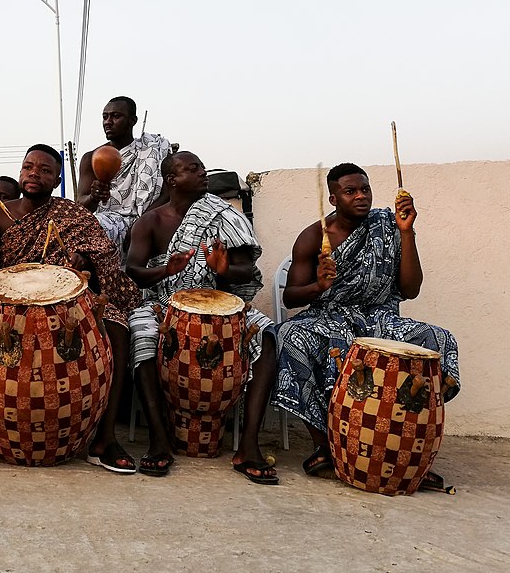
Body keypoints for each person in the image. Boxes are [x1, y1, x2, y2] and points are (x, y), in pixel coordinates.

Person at [0, 144, 142, 472]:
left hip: (65, 300)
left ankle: (104, 440)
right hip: (7, 302)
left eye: (45, 170)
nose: (34, 174)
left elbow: (103, 254)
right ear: (20, 172)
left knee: (116, 322)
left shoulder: (72, 213)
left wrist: (84, 262)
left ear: (56, 181)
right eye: (28, 167)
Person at [273, 162, 460, 477]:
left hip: (380, 319)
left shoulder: (388, 224)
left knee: (437, 338)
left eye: (365, 189)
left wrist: (406, 231)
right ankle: (324, 446)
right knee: (290, 336)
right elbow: (289, 297)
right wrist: (319, 286)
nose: (361, 196)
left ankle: (403, 446)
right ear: (334, 198)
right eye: (350, 191)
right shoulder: (314, 237)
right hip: (327, 318)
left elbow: (411, 289)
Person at [126, 151, 277, 482]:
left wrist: (223, 270)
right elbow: (133, 271)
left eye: (202, 167)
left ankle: (248, 445)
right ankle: (159, 440)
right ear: (172, 180)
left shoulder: (223, 216)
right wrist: (167, 269)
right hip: (161, 304)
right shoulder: (149, 222)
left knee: (267, 336)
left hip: (221, 305)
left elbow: (246, 269)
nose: (202, 172)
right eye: (192, 169)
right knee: (142, 335)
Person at [77, 96, 172, 259]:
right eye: (105, 117)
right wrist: (94, 197)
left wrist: (140, 225)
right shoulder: (91, 158)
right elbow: (81, 206)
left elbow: (166, 195)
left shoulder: (151, 150)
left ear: (132, 120)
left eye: (116, 116)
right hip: (104, 224)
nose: (108, 122)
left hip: (148, 219)